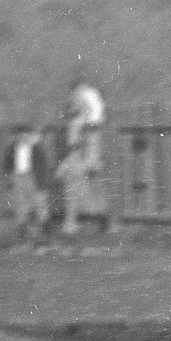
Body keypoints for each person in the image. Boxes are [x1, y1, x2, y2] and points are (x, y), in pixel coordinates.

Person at [52, 81, 111, 235]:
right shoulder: (75, 121)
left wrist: (88, 161)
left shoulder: (88, 124)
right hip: (76, 160)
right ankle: (80, 223)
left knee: (77, 192)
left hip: (79, 160)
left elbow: (86, 145)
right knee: (78, 193)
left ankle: (73, 225)